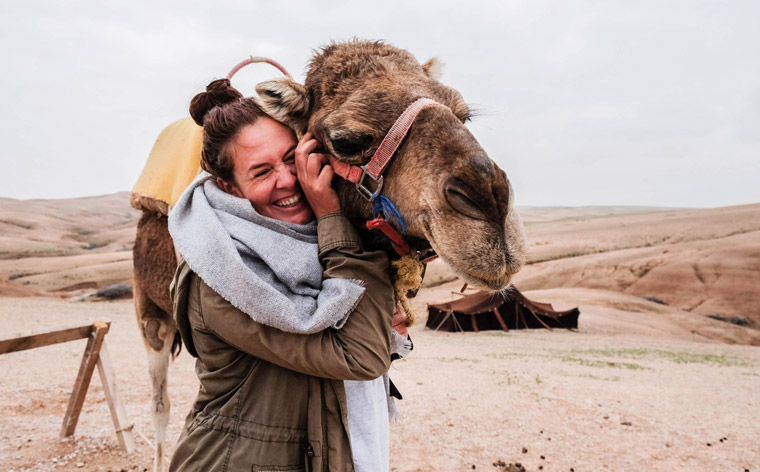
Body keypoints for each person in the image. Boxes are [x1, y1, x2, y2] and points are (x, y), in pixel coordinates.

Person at [167, 78, 401, 472]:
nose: (289, 179)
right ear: (230, 186)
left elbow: (358, 337)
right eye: (261, 172)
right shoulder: (221, 274)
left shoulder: (309, 241)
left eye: (292, 157)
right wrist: (331, 216)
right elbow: (359, 356)